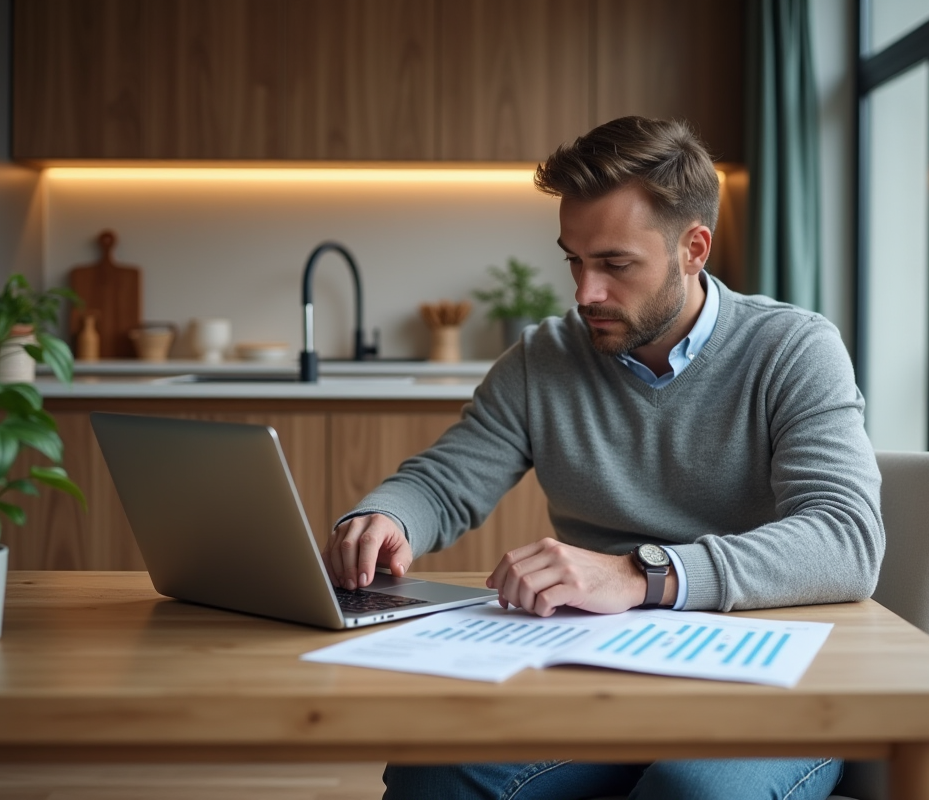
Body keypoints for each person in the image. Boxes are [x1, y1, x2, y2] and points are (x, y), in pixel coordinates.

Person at [324, 116, 884, 800]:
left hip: (764, 676)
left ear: (693, 249)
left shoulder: (793, 350)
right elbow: (443, 484)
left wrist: (640, 574)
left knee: (695, 793)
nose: (586, 294)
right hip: (596, 676)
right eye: (574, 260)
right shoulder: (544, 358)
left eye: (615, 265)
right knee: (432, 774)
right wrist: (386, 517)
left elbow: (846, 538)